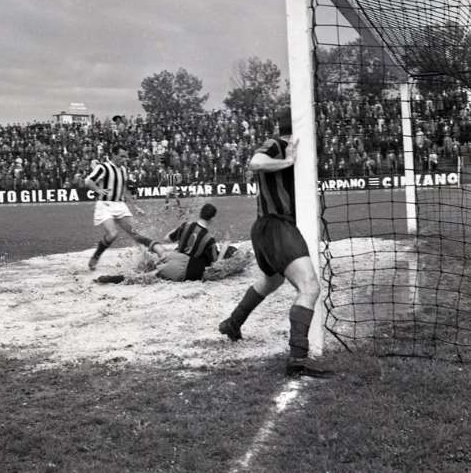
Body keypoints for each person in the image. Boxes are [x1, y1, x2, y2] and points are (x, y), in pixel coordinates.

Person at [218, 109, 332, 378]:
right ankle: (298, 359)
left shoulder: (295, 147)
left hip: (265, 228)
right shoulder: (278, 144)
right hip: (276, 226)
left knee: (272, 280)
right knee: (310, 287)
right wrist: (288, 160)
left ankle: (232, 323)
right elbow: (255, 162)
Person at [96, 203, 229, 283]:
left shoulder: (186, 225)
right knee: (146, 276)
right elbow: (216, 265)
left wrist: (179, 231)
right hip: (181, 267)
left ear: (200, 213)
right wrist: (224, 247)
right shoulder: (209, 239)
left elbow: (167, 238)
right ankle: (112, 279)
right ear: (212, 219)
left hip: (173, 255)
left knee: (159, 248)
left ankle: (138, 238)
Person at [85, 144, 145, 271]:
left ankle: (146, 258)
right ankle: (96, 256)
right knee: (112, 234)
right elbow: (88, 181)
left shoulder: (123, 169)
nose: (124, 159)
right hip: (105, 205)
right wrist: (98, 190)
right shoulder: (103, 167)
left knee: (135, 233)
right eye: (122, 156)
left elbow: (124, 190)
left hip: (120, 205)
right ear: (114, 155)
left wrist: (135, 206)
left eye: (126, 157)